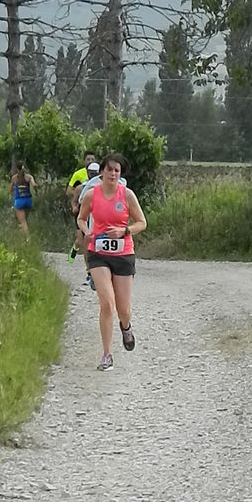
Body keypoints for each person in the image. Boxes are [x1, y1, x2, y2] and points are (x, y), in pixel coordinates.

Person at [77, 153, 147, 371]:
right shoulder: (91, 194)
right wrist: (87, 230)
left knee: (123, 308)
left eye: (117, 170)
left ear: (120, 174)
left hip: (123, 254)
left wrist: (124, 231)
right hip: (98, 253)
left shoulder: (127, 195)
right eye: (110, 170)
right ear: (102, 172)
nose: (113, 174)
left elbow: (142, 223)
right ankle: (107, 354)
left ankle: (125, 327)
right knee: (107, 303)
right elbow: (81, 217)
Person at [66, 151, 96, 263]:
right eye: (88, 159)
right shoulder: (78, 174)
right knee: (81, 239)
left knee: (89, 240)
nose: (90, 161)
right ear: (84, 161)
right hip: (81, 210)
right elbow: (68, 191)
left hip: (94, 213)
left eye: (92, 159)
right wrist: (79, 194)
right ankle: (75, 249)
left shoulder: (99, 176)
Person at [9, 160, 37, 239]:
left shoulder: (14, 178)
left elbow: (10, 189)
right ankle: (22, 239)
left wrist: (15, 189)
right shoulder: (28, 177)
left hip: (19, 201)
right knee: (24, 221)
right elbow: (34, 184)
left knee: (23, 222)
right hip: (28, 201)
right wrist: (35, 189)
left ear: (17, 169)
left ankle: (28, 239)